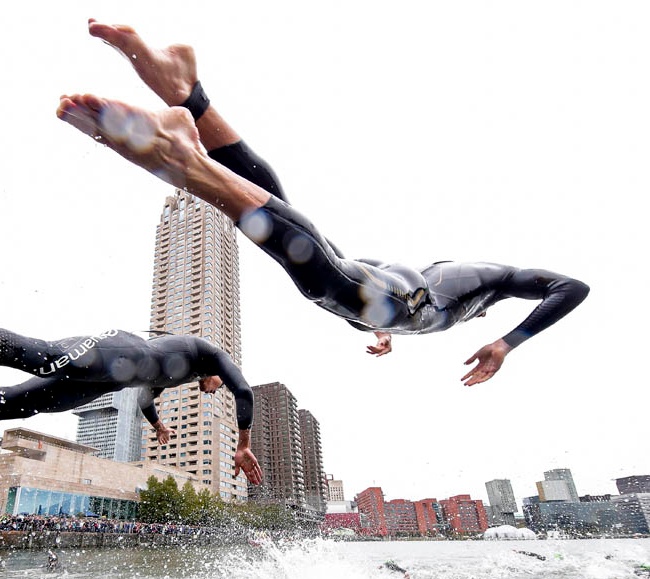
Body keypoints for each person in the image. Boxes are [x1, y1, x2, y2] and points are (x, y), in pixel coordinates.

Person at [56, 21, 590, 387]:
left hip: (394, 290)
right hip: (404, 299)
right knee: (322, 277)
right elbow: (571, 288)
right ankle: (189, 162)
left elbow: (356, 269)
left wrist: (377, 328)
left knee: (302, 237)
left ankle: (187, 92)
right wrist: (508, 343)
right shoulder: (491, 283)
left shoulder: (425, 282)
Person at [0, 327, 262, 484]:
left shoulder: (179, 374)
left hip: (109, 381)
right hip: (118, 351)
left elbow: (144, 399)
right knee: (46, 359)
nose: (212, 392)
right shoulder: (212, 354)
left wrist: (159, 427)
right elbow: (243, 390)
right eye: (218, 389)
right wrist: (243, 444)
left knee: (25, 404)